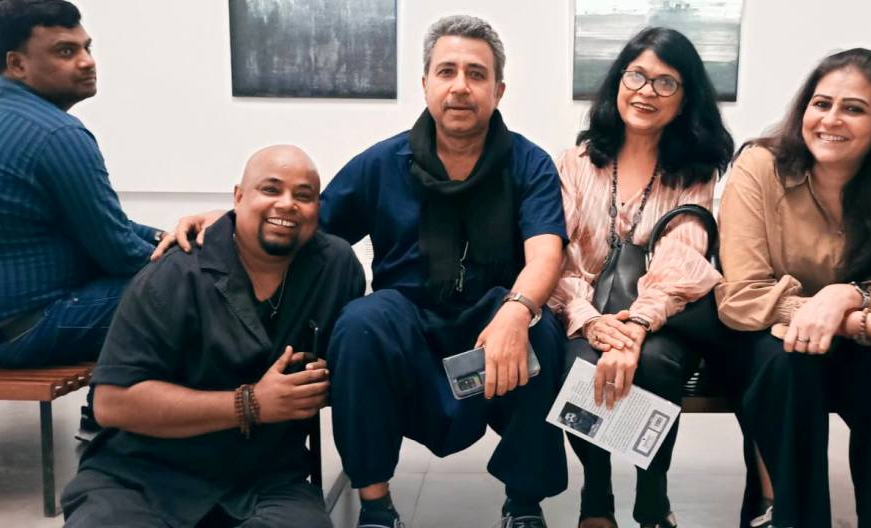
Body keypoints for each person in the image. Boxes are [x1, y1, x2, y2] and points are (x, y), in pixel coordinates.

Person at [159, 15, 569, 528]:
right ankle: (376, 506)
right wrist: (232, 217)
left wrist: (517, 312)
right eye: (446, 71)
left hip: (492, 323)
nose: (460, 86)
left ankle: (523, 503)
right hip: (408, 325)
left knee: (542, 331)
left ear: (498, 89)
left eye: (476, 73)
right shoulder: (384, 162)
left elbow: (546, 252)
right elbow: (308, 222)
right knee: (358, 324)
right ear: (425, 84)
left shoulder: (528, 164)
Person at [715, 48, 871, 528]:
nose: (831, 119)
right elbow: (743, 295)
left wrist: (850, 295)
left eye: (853, 108)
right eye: (821, 103)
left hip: (866, 327)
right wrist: (856, 318)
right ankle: (784, 514)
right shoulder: (760, 165)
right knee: (788, 363)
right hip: (774, 330)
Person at [60, 145, 366, 528]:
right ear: (238, 197)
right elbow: (112, 403)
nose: (287, 204)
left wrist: (323, 382)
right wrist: (250, 403)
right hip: (141, 476)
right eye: (270, 190)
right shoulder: (173, 275)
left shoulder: (336, 269)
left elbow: (350, 365)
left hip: (266, 481)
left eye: (303, 196)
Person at [549, 27, 734, 528]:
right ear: (617, 82)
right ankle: (597, 497)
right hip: (583, 306)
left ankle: (652, 494)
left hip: (665, 313)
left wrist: (636, 324)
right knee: (579, 370)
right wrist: (589, 321)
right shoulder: (575, 163)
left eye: (665, 83)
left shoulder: (695, 169)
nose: (646, 92)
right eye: (637, 76)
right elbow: (557, 255)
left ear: (685, 98)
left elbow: (684, 256)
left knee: (652, 366)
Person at [0, 0, 163, 368]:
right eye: (65, 51)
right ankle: (115, 416)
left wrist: (160, 239)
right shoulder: (57, 133)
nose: (87, 61)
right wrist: (191, 261)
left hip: (10, 322)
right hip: (26, 330)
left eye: (86, 48)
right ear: (17, 64)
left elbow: (90, 223)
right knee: (189, 290)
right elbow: (117, 253)